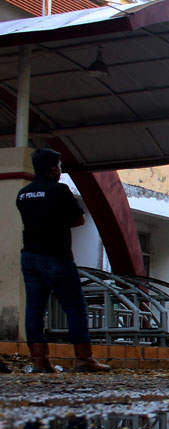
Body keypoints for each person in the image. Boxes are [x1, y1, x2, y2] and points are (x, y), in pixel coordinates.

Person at [17, 148, 109, 373]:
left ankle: (40, 361)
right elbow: (79, 219)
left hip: (29, 257)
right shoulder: (60, 190)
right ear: (52, 168)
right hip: (56, 256)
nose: (60, 170)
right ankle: (83, 359)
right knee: (75, 306)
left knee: (35, 309)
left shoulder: (23, 194)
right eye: (58, 166)